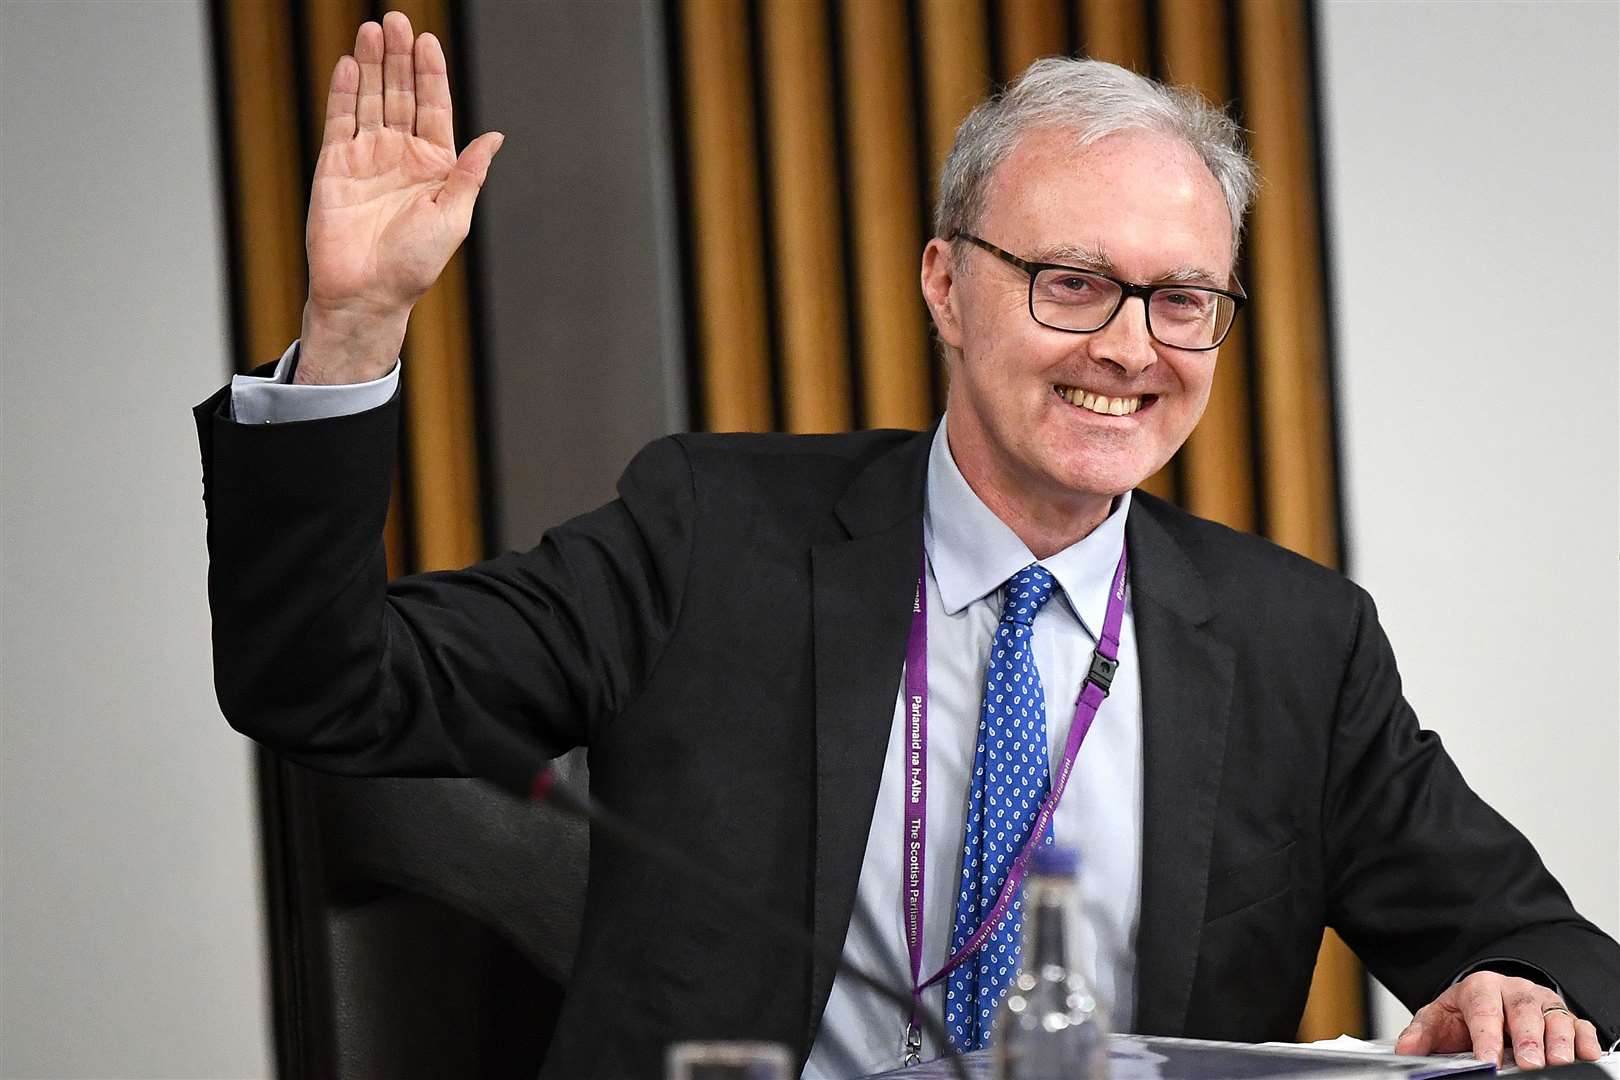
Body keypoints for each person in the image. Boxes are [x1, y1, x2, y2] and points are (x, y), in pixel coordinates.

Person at [194, 11, 1619, 1080]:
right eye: (1072, 284)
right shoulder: (716, 537)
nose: (1130, 348)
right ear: (948, 283)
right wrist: (357, 327)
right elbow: (321, 684)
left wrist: (1517, 994)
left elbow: (1559, 957)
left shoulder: (1296, 643)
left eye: (1184, 300)